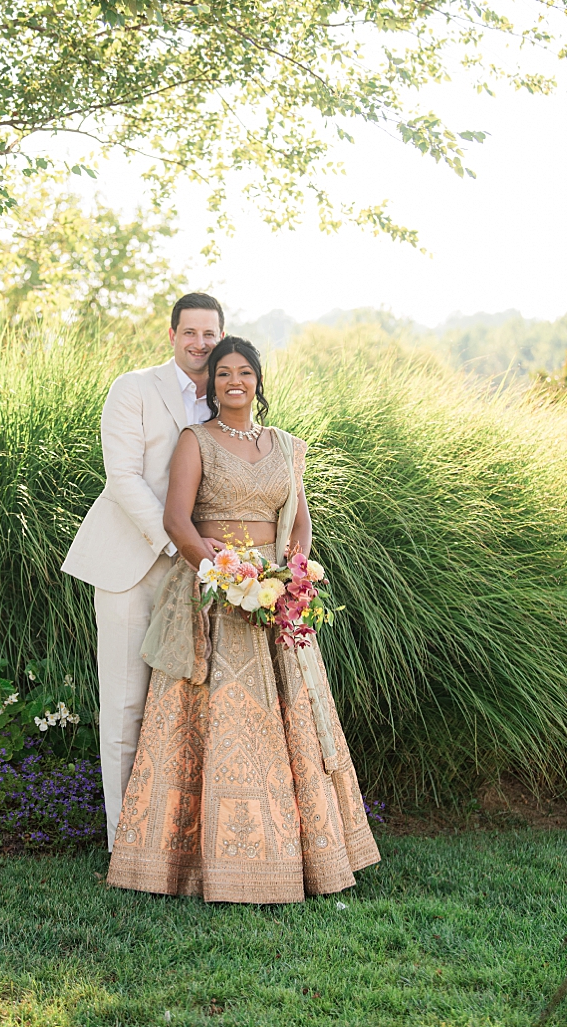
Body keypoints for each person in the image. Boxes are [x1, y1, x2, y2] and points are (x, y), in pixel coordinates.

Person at [105, 337, 379, 901]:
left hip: (277, 598)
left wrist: (292, 576)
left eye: (245, 371)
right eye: (223, 372)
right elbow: (177, 520)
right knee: (212, 728)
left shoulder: (285, 446)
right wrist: (227, 576)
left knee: (289, 725)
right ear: (210, 385)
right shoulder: (195, 440)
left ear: (259, 380)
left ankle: (300, 856)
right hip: (214, 597)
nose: (234, 380)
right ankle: (195, 863)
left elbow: (298, 518)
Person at [62, 293, 225, 848]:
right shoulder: (133, 387)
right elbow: (123, 478)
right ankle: (123, 841)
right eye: (190, 333)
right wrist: (179, 543)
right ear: (172, 334)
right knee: (127, 704)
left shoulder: (229, 394)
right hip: (135, 563)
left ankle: (177, 840)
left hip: (202, 573)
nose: (200, 343)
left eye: (210, 333)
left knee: (184, 705)